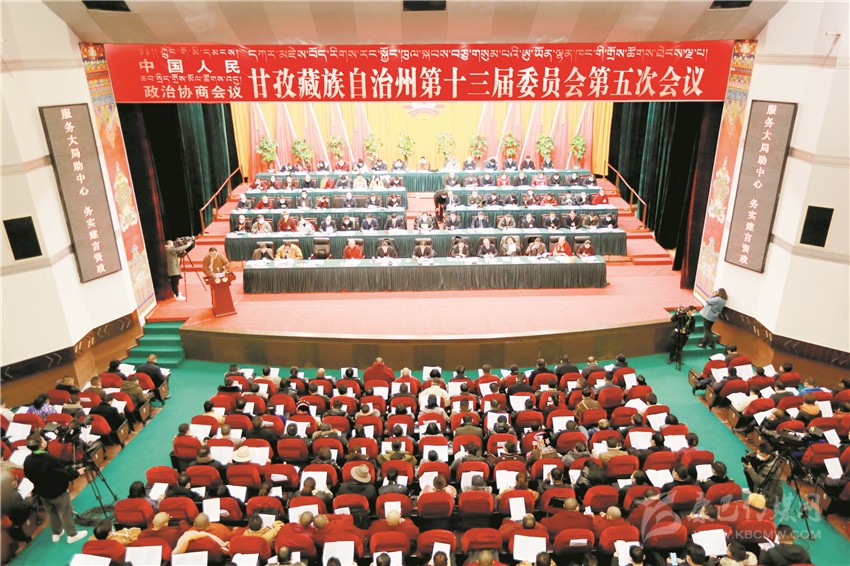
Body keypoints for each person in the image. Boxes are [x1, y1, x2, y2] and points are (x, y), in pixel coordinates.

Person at [23, 434, 88, 543]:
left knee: (51, 513)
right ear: (42, 445)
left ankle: (56, 533)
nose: (45, 440)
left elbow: (28, 475)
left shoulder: (28, 460)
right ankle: (72, 534)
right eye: (43, 440)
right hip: (58, 492)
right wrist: (77, 473)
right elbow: (64, 474)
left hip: (43, 493)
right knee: (65, 512)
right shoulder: (50, 459)